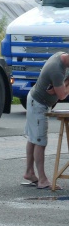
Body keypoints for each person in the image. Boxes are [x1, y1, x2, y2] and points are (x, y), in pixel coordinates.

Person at [23, 51, 69, 189]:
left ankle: (29, 172)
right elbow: (62, 96)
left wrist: (61, 85)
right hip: (38, 104)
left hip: (35, 100)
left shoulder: (61, 57)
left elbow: (59, 88)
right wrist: (62, 87)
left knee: (33, 138)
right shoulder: (56, 70)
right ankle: (42, 179)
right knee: (40, 141)